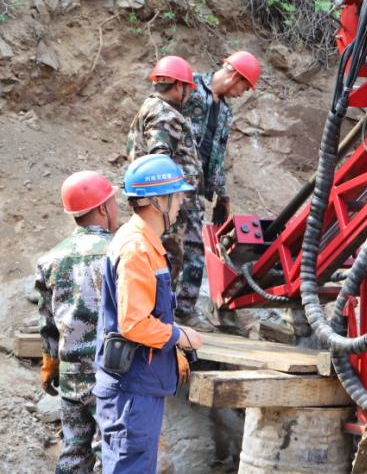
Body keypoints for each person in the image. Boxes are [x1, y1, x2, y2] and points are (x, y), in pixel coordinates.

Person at [94, 154, 203, 474]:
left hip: (139, 383)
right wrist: (179, 336)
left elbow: (149, 312)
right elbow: (134, 323)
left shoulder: (145, 242)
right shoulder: (137, 249)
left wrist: (171, 350)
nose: (181, 201)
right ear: (157, 201)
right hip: (132, 388)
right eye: (176, 195)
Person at [35, 171, 119, 474]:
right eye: (113, 202)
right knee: (110, 454)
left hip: (71, 374)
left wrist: (50, 362)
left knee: (73, 453)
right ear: (102, 208)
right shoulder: (120, 251)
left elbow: (48, 320)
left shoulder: (51, 259)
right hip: (110, 373)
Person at [126, 55, 209, 330]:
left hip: (169, 204)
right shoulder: (164, 114)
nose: (189, 95)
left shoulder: (157, 109)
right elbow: (159, 162)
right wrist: (166, 206)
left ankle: (162, 316)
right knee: (167, 259)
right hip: (167, 205)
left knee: (169, 258)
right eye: (188, 89)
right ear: (179, 86)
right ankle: (158, 320)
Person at [175, 50, 260, 319]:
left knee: (193, 249)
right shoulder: (188, 87)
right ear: (236, 76)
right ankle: (158, 310)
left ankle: (183, 312)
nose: (242, 93)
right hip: (171, 184)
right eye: (244, 87)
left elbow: (218, 156)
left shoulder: (225, 111)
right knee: (167, 246)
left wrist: (222, 196)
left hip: (196, 190)